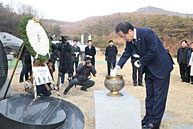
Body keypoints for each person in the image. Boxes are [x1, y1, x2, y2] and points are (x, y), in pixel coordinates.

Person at [111, 22, 173, 129]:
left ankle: (154, 123)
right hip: (149, 69)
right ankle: (147, 119)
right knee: (150, 96)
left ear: (130, 31)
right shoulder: (130, 41)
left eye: (123, 36)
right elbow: (126, 53)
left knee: (159, 97)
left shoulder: (147, 33)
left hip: (161, 67)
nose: (123, 39)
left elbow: (153, 50)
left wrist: (140, 61)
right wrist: (117, 68)